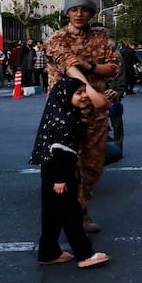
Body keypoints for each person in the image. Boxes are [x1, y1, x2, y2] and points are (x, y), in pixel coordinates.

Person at [43, 0, 120, 234]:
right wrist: (90, 90)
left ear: (91, 13)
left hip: (95, 113)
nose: (79, 14)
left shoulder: (100, 38)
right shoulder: (56, 38)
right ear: (67, 12)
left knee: (93, 164)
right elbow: (68, 64)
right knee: (66, 165)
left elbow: (113, 68)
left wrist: (90, 66)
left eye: (84, 10)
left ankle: (81, 206)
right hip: (65, 113)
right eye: (74, 9)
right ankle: (73, 216)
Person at [29, 77, 110, 269]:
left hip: (51, 170)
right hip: (60, 172)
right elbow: (60, 152)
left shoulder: (59, 113)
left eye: (84, 91)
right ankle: (84, 254)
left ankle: (49, 252)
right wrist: (60, 179)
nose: (83, 96)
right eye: (78, 93)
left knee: (52, 214)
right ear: (66, 96)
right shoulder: (66, 120)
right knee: (71, 214)